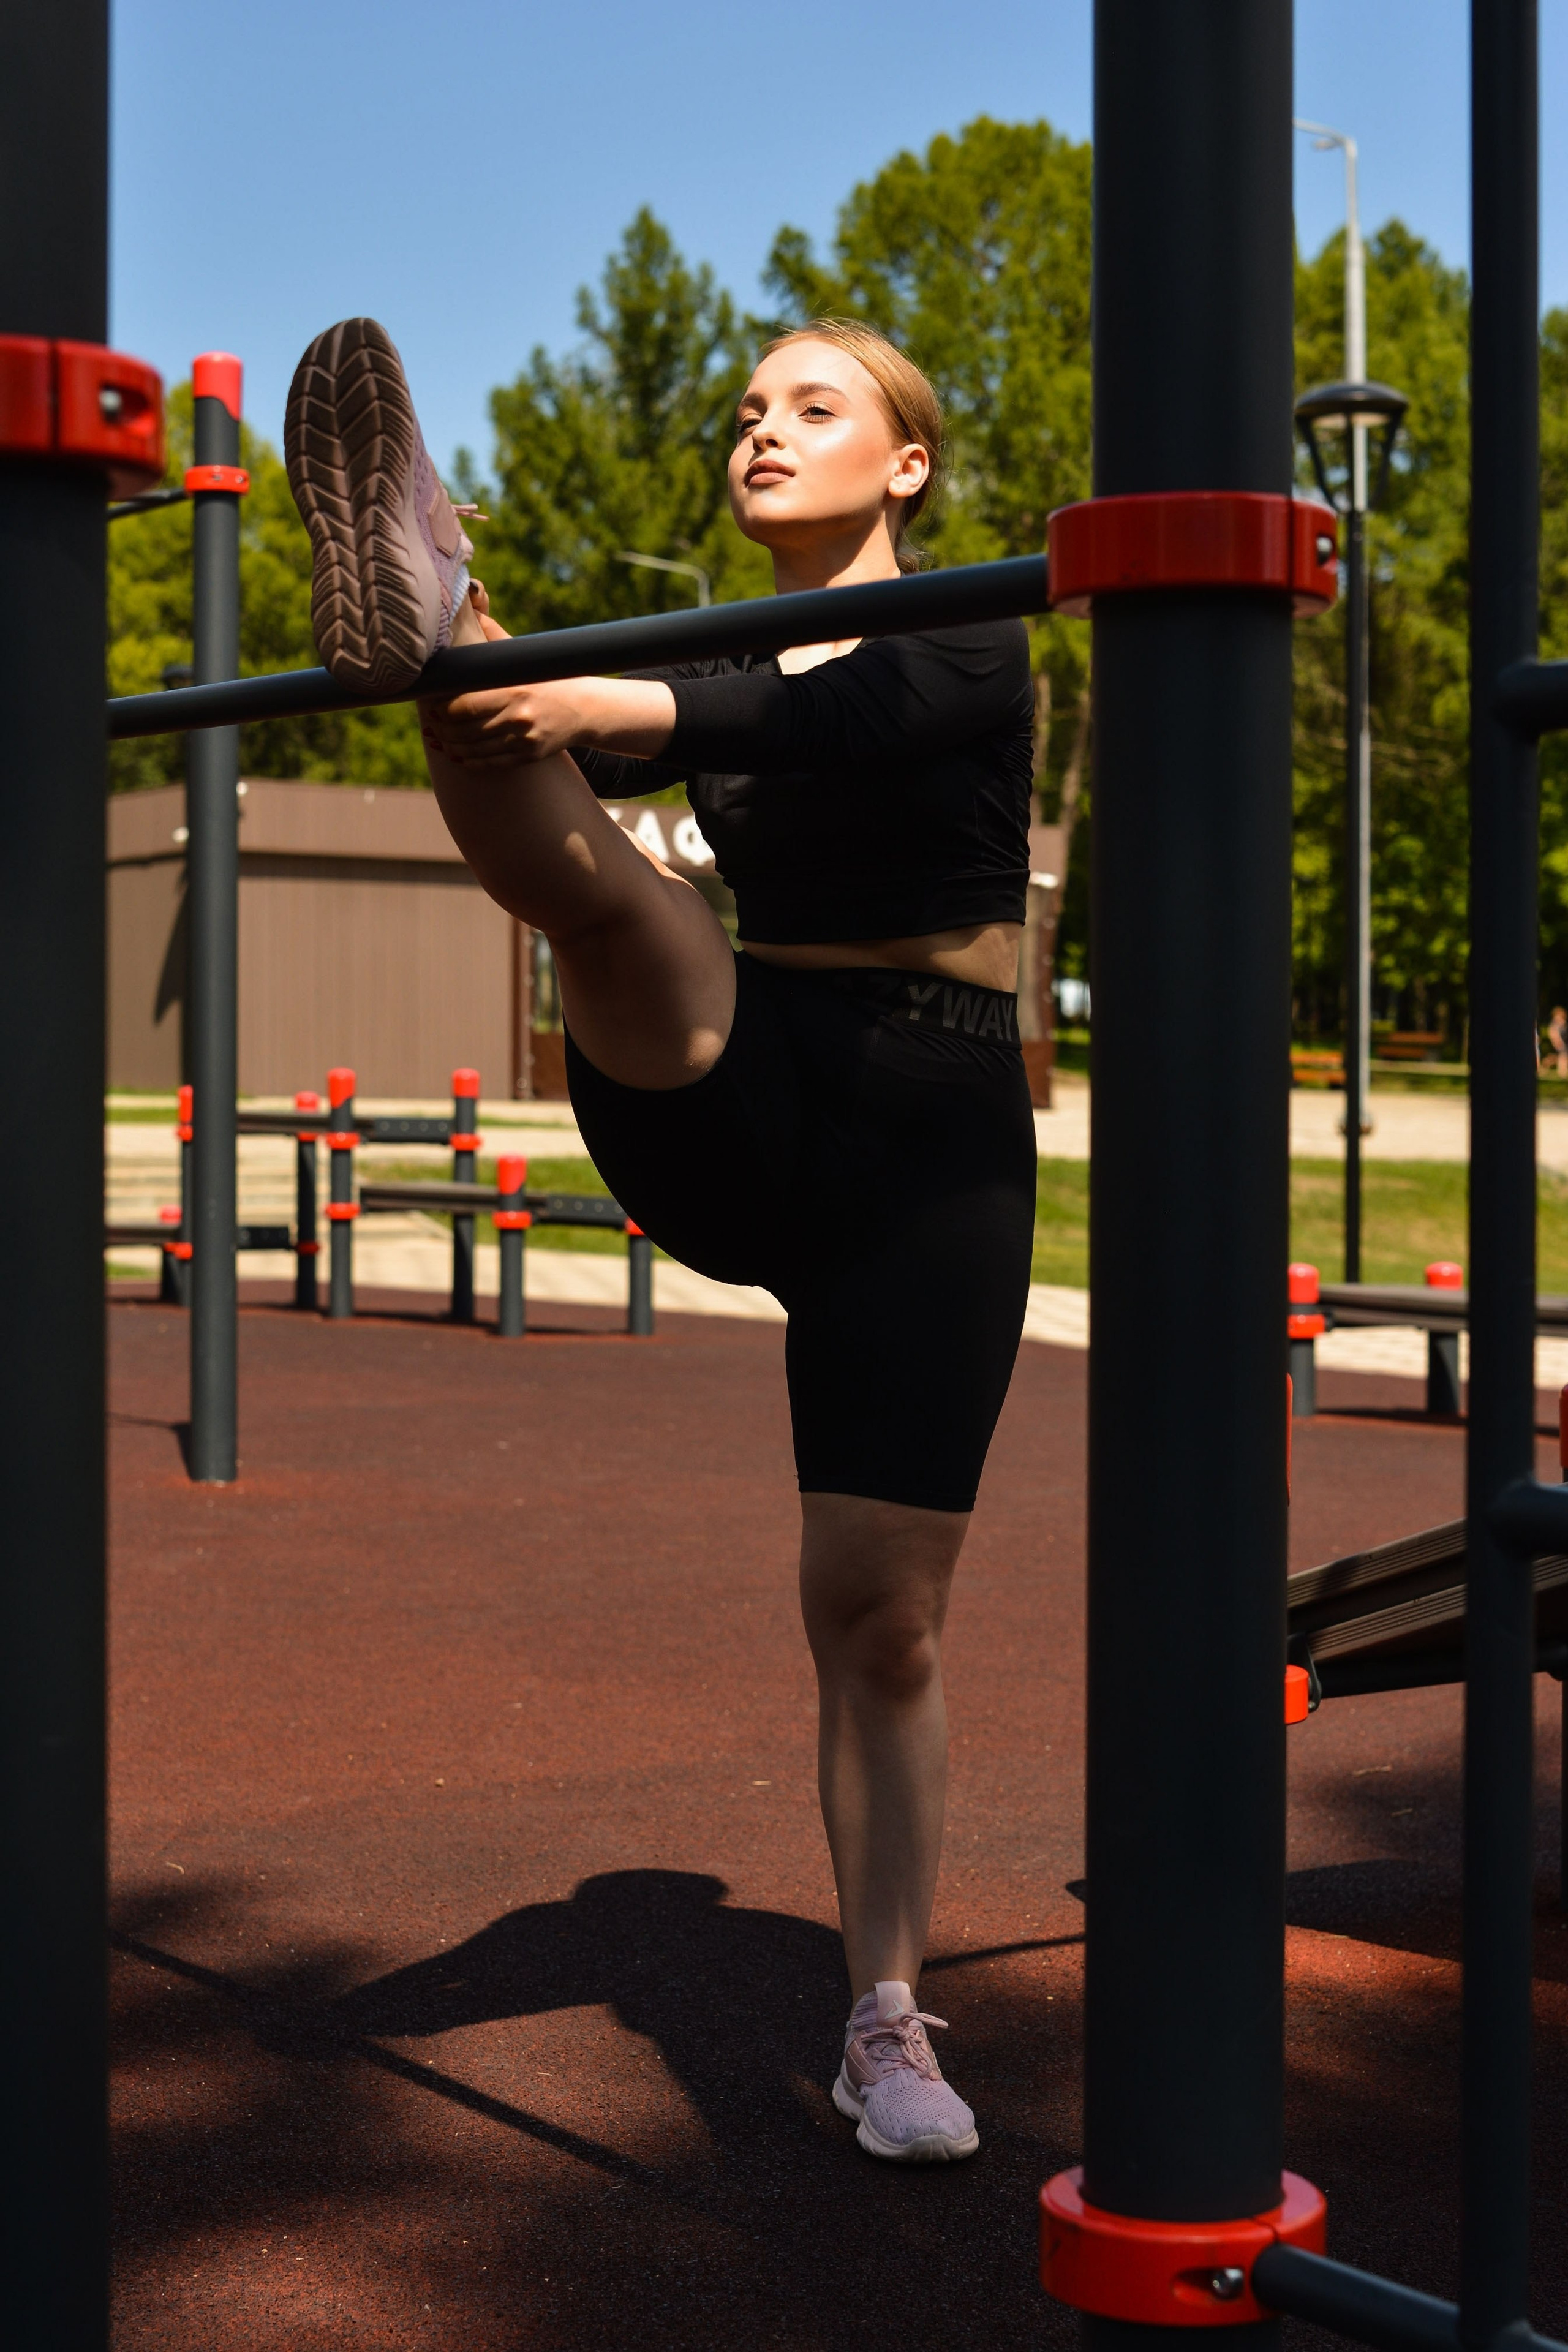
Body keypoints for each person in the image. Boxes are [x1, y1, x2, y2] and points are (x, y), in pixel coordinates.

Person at [285, 314, 1037, 2163]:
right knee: (607, 895)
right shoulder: (692, 642)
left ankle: (882, 2020)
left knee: (880, 1620)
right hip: (739, 1072)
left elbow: (835, 717)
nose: (764, 431)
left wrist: (605, 703)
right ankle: (433, 600)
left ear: (909, 463)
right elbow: (646, 745)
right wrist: (529, 693)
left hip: (930, 1138)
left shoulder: (974, 622)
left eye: (815, 405)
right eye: (750, 409)